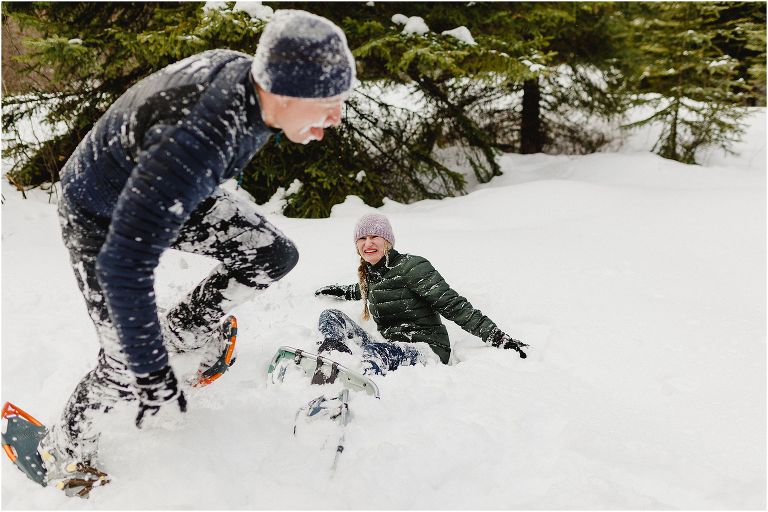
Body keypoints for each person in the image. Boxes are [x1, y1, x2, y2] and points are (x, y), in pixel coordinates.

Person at [35, 10, 356, 493]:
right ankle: (66, 448)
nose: (336, 117)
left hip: (169, 189)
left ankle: (184, 329)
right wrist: (153, 371)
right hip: (99, 213)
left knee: (271, 256)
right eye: (329, 103)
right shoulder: (196, 135)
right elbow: (124, 265)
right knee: (125, 361)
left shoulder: (254, 86)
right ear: (286, 94)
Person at [314, 213, 528, 375]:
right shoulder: (371, 275)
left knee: (376, 353)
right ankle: (333, 362)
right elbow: (368, 289)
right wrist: (341, 291)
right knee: (331, 317)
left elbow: (453, 305)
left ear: (387, 241)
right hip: (390, 346)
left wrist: (497, 337)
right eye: (362, 238)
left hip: (426, 349)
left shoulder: (412, 267)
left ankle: (353, 386)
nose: (367, 243)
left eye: (374, 236)